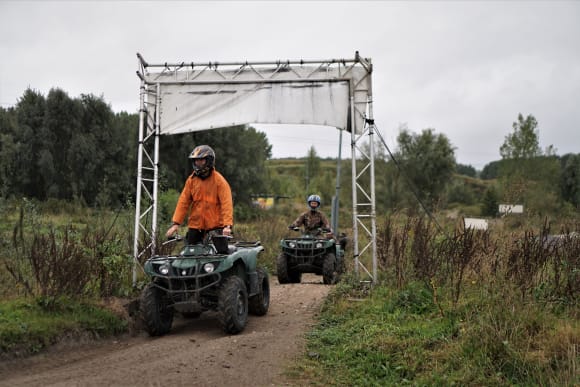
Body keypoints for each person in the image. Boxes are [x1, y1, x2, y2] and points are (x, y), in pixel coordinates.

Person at [165, 145, 233, 245]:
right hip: (195, 227)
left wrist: (227, 226)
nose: (198, 163)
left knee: (216, 257)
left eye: (201, 160)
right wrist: (176, 224)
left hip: (215, 227)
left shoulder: (219, 181)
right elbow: (183, 202)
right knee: (189, 255)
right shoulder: (191, 181)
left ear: (209, 160)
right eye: (196, 160)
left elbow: (226, 204)